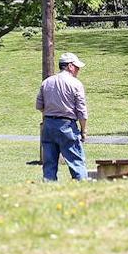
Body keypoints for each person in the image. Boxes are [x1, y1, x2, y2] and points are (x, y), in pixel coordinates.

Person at [35, 52, 89, 182]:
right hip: (67, 126)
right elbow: (81, 111)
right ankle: (82, 189)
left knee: (49, 164)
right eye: (77, 67)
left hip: (48, 125)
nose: (78, 70)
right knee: (76, 161)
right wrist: (83, 130)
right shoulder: (76, 84)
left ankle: (48, 190)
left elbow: (39, 106)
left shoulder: (47, 82)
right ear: (70, 66)